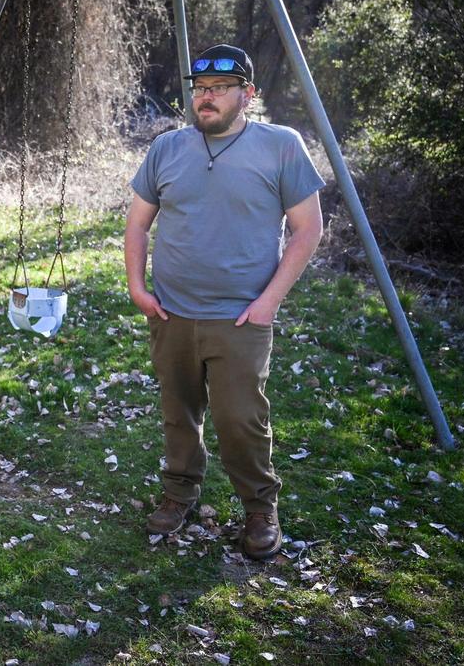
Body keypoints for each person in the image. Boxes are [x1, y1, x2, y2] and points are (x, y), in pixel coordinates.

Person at [123, 44, 324, 560]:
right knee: (178, 412)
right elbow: (138, 223)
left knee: (241, 418)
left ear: (247, 95)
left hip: (241, 314)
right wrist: (137, 288)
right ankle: (178, 493)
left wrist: (268, 303)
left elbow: (307, 230)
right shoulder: (167, 148)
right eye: (200, 90)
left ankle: (259, 509)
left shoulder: (281, 146)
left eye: (218, 89)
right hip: (172, 310)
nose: (205, 99)